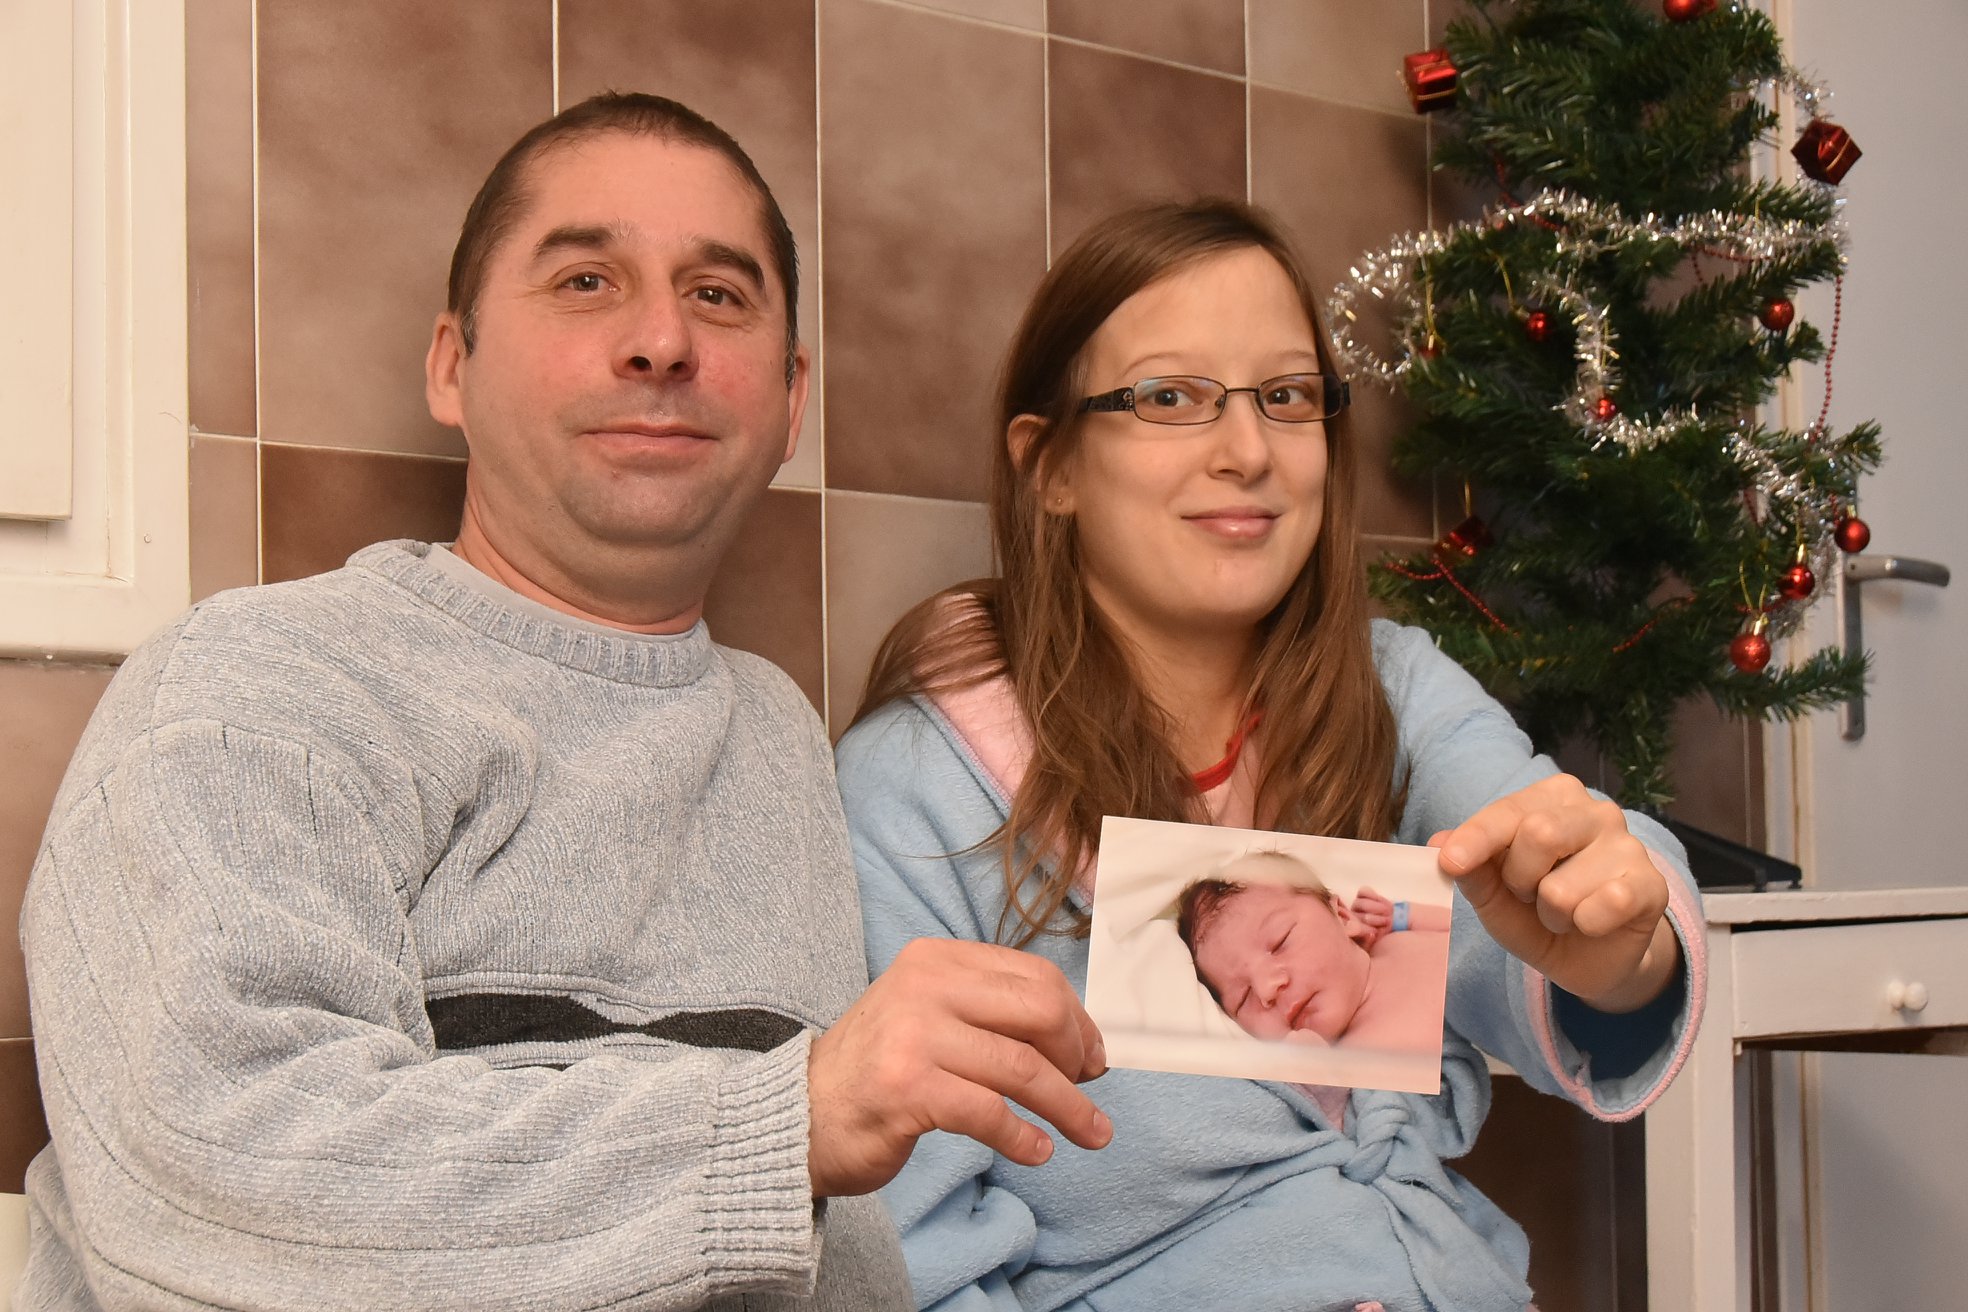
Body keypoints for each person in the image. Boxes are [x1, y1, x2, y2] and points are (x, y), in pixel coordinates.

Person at [18, 93, 1109, 1312]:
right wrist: (784, 1122)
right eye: (587, 281)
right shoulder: (258, 684)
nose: (662, 341)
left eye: (719, 295)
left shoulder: (775, 731)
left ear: (791, 400)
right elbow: (211, 1176)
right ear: (453, 364)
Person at [835, 200, 1706, 1311]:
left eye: (1287, 397)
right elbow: (911, 1256)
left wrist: (1623, 948)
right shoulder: (914, 792)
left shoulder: (1393, 692)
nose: (1247, 452)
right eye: (1169, 397)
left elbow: (1560, 860)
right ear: (1049, 465)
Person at [1173, 854, 1450, 1051]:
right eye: (1243, 997)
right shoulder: (1348, 1065)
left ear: (1343, 917)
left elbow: (1463, 929)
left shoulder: (1396, 942)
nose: (1267, 989)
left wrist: (1404, 915)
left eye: (1279, 942)